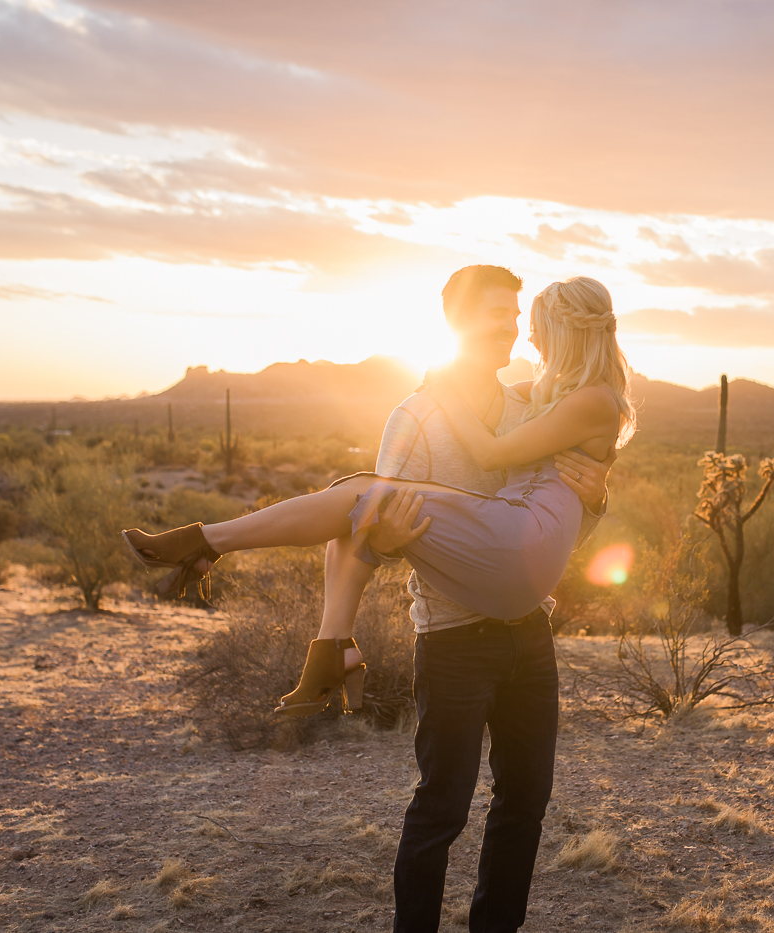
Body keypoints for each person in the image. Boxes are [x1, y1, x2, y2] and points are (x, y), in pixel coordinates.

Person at [122, 267, 633, 932]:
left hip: (527, 629)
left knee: (525, 803)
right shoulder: (417, 416)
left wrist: (599, 490)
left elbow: (560, 498)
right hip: (454, 635)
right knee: (442, 807)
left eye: (520, 317)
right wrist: (367, 581)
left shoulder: (527, 402)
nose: (514, 329)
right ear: (456, 322)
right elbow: (363, 535)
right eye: (499, 316)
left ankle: (231, 561)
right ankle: (268, 591)